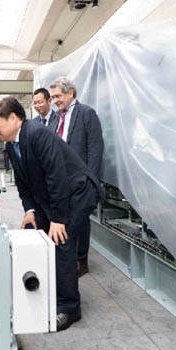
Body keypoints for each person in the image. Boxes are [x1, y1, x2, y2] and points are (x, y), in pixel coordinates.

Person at [0, 97, 101, 332]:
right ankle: (49, 292)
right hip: (54, 196)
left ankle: (69, 307)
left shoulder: (36, 134)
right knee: (36, 232)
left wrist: (58, 219)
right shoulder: (12, 145)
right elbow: (23, 183)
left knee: (61, 241)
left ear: (13, 118)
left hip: (78, 192)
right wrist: (30, 210)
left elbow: (56, 176)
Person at [49, 77, 104, 277]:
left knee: (80, 221)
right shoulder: (56, 118)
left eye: (58, 96)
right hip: (60, 178)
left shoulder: (86, 113)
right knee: (64, 219)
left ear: (70, 93)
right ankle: (66, 258)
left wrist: (91, 180)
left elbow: (95, 147)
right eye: (53, 97)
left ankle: (82, 260)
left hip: (81, 180)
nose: (55, 101)